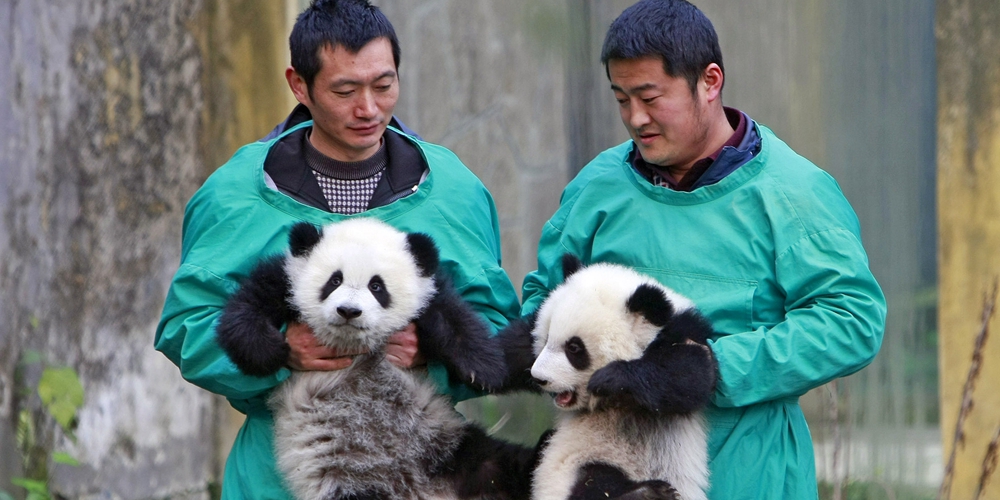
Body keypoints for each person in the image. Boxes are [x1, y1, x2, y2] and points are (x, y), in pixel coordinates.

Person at [520, 0, 886, 498]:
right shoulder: (596, 190)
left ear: (710, 81)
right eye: (621, 99)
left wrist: (711, 368)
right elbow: (543, 296)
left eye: (650, 97)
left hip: (748, 472)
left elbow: (853, 320)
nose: (635, 117)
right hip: (611, 471)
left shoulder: (795, 194)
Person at [154, 0, 520, 497]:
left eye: (384, 85)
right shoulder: (235, 195)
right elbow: (185, 327)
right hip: (284, 472)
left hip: (421, 467)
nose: (369, 109)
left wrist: (429, 355)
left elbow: (493, 325)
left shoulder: (455, 192)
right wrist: (285, 352)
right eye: (345, 90)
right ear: (299, 85)